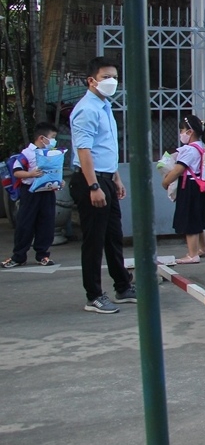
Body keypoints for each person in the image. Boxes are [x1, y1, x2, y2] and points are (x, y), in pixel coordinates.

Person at [69, 56, 136, 314]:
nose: (111, 82)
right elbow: (84, 150)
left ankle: (123, 286)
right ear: (91, 80)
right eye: (106, 77)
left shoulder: (104, 106)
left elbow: (104, 148)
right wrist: (94, 186)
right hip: (91, 180)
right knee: (94, 241)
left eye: (114, 77)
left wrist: (115, 176)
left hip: (106, 177)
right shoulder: (87, 109)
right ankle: (94, 295)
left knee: (112, 237)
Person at [2, 122, 61, 268]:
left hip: (47, 193)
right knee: (25, 224)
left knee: (46, 224)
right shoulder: (27, 153)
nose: (54, 140)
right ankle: (19, 256)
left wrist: (59, 182)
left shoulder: (52, 153)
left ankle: (43, 255)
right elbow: (17, 172)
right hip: (30, 193)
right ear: (42, 138)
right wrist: (30, 174)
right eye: (52, 137)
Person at [160, 114, 205, 264]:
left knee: (190, 220)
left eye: (182, 130)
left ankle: (192, 254)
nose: (181, 134)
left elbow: (178, 170)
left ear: (190, 132)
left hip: (189, 187)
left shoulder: (189, 150)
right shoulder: (201, 147)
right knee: (198, 219)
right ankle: (204, 248)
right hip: (198, 187)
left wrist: (166, 182)